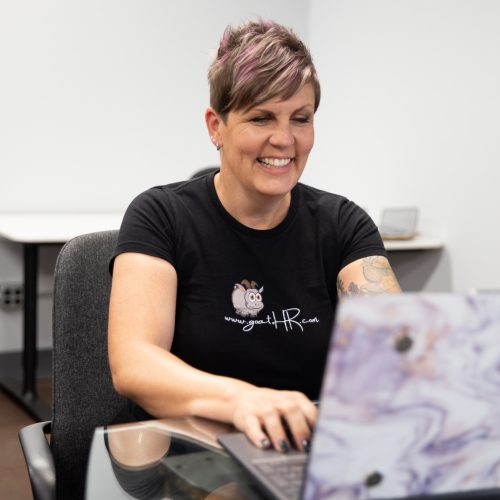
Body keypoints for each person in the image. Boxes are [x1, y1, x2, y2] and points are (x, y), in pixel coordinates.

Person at [108, 19, 401, 455]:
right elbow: (134, 362)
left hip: (304, 454)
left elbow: (398, 346)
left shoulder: (343, 223)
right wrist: (245, 400)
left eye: (300, 119)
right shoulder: (161, 216)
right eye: (261, 118)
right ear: (215, 126)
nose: (284, 140)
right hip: (187, 455)